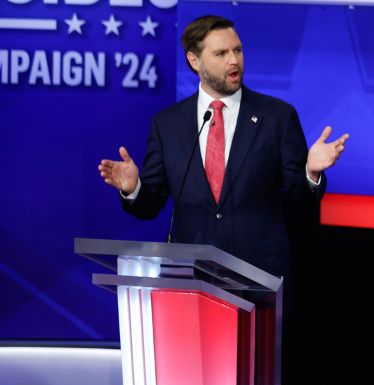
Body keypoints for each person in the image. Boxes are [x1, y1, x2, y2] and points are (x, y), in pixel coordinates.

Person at [97, 14, 348, 278]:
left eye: (237, 50)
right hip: (190, 275)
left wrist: (311, 173)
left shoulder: (277, 117)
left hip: (258, 275)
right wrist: (134, 189)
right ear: (194, 61)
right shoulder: (167, 124)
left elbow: (299, 205)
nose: (233, 60)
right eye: (220, 53)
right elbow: (150, 205)